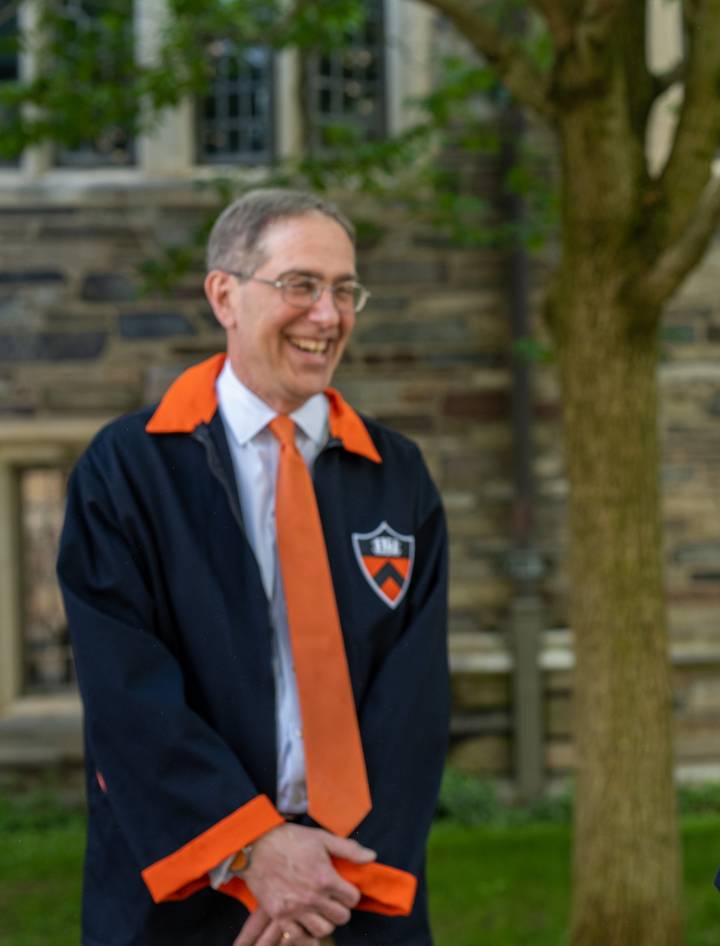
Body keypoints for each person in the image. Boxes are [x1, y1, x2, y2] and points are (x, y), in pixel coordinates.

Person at [58, 189, 450, 946]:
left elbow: (415, 701)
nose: (329, 315)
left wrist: (332, 888)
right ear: (224, 295)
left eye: (344, 290)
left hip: (355, 888)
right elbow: (126, 690)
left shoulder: (396, 473)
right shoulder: (128, 469)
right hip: (184, 880)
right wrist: (255, 851)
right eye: (300, 284)